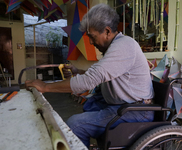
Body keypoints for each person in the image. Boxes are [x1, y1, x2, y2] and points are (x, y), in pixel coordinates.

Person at [25, 3, 154, 148]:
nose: (91, 42)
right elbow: (100, 73)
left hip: (135, 111)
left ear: (107, 31)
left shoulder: (124, 46)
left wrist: (44, 87)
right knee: (89, 106)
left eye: (92, 37)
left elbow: (90, 80)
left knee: (76, 124)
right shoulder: (116, 46)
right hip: (123, 105)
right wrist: (77, 71)